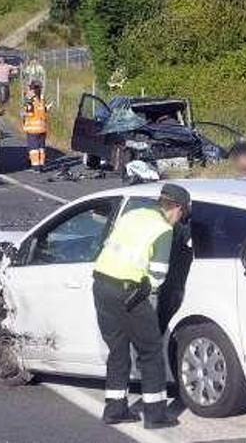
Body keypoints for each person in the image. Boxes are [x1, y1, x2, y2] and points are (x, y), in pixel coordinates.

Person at [91, 184, 190, 430]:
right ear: (176, 208)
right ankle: (156, 415)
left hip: (102, 285)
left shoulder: (133, 214)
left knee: (118, 349)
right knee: (150, 350)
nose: (181, 219)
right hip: (129, 292)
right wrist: (147, 288)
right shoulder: (163, 229)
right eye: (183, 214)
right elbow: (158, 275)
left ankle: (114, 409)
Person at [21, 81, 49, 171]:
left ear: (32, 89)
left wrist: (23, 114)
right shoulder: (42, 99)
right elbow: (43, 112)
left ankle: (35, 167)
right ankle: (41, 165)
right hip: (42, 128)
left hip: (33, 129)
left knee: (33, 149)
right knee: (41, 148)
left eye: (30, 88)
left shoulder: (30, 100)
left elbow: (30, 113)